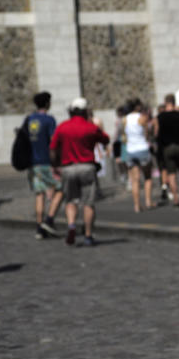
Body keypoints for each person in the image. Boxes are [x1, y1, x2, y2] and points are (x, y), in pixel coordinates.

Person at [50, 97, 110, 246]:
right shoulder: (90, 127)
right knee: (89, 203)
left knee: (71, 200)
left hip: (68, 168)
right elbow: (105, 139)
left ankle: (71, 225)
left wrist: (56, 165)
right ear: (85, 112)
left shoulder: (62, 127)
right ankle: (88, 235)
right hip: (87, 166)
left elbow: (52, 148)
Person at [26, 91, 64, 239]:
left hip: (32, 162)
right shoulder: (49, 120)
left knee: (39, 194)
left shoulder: (29, 119)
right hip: (46, 161)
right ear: (47, 103)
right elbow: (53, 142)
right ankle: (49, 219)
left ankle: (39, 228)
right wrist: (57, 162)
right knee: (61, 189)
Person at [154, 93, 179, 206]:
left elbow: (156, 133)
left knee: (171, 173)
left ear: (165, 103)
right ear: (174, 103)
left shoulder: (159, 117)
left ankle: (175, 198)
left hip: (167, 147)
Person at [120, 99, 154, 212]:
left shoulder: (125, 119)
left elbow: (124, 133)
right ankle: (148, 202)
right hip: (142, 148)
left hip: (131, 149)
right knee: (147, 177)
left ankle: (136, 205)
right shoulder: (142, 117)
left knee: (135, 179)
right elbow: (147, 132)